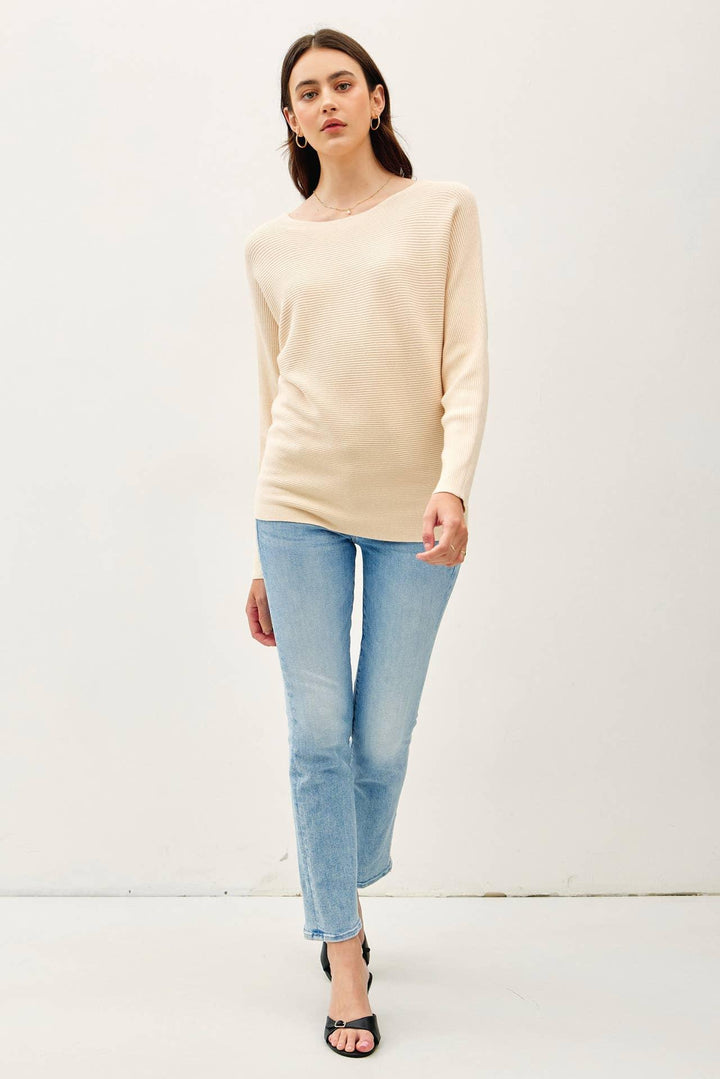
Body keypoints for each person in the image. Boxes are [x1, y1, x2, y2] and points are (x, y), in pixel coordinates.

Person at [243, 28, 489, 1058]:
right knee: (317, 736)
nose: (327, 101)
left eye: (343, 83)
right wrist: (261, 555)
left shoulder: (442, 211)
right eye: (307, 92)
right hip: (295, 503)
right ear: (292, 120)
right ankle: (343, 950)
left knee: (379, 739)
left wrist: (453, 483)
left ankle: (341, 874)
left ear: (377, 98)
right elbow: (274, 389)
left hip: (413, 512)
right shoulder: (270, 246)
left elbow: (466, 360)